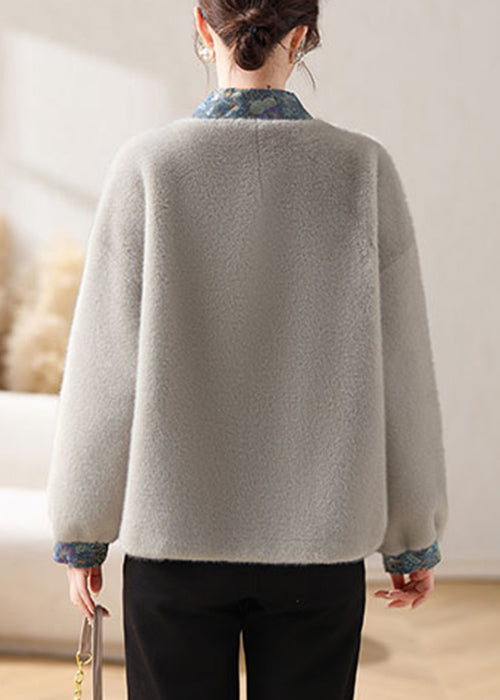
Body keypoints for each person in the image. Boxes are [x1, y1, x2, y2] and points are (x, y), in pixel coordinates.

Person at [46, 1, 449, 698]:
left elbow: (104, 370)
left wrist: (84, 531)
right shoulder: (363, 170)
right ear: (304, 34)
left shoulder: (148, 166)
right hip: (320, 548)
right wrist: (412, 535)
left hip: (172, 544)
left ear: (203, 27)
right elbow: (403, 369)